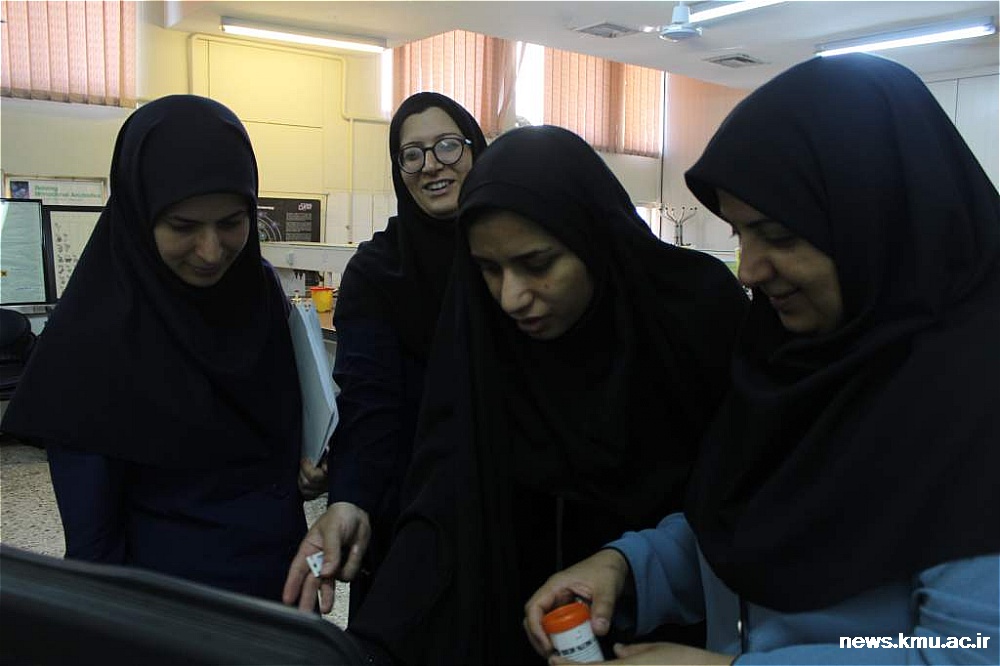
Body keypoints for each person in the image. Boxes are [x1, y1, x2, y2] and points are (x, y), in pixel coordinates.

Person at [524, 53, 1000, 665]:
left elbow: (968, 652)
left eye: (780, 236)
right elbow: (755, 528)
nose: (748, 270)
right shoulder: (794, 361)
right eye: (739, 233)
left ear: (878, 218)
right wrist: (630, 567)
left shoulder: (977, 402)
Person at [346, 124, 749, 665]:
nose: (512, 297)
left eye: (537, 265)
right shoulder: (486, 339)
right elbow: (443, 499)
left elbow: (743, 501)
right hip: (528, 624)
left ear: (592, 238)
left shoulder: (697, 317)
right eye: (489, 270)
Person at [0, 95, 307, 601]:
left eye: (232, 222)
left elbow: (282, 429)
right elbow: (94, 550)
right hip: (171, 609)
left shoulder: (257, 294)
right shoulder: (92, 337)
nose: (211, 252)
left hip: (283, 588)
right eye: (183, 226)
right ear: (140, 217)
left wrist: (310, 464)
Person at [283, 92, 488, 614]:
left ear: (476, 149)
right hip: (408, 507)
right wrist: (350, 497)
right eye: (411, 154)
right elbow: (370, 400)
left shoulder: (506, 254)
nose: (431, 165)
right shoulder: (378, 271)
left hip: (508, 500)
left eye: (448, 145)